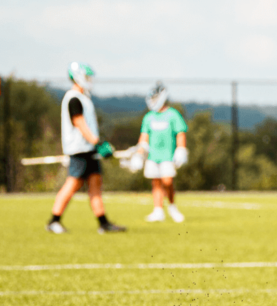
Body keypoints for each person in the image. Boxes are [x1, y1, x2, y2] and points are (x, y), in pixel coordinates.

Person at [47, 62, 126, 234]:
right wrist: (98, 143)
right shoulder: (73, 98)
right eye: (87, 77)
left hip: (89, 149)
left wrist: (96, 145)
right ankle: (54, 221)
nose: (90, 81)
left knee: (95, 184)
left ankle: (103, 224)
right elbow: (79, 123)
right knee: (72, 184)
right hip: (79, 150)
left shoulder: (84, 98)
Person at [133, 83, 188, 223]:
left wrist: (181, 149)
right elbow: (144, 138)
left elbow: (180, 133)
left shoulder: (172, 115)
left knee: (167, 181)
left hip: (167, 156)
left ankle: (172, 207)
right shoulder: (148, 117)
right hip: (153, 156)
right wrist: (139, 155)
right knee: (156, 183)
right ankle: (158, 211)